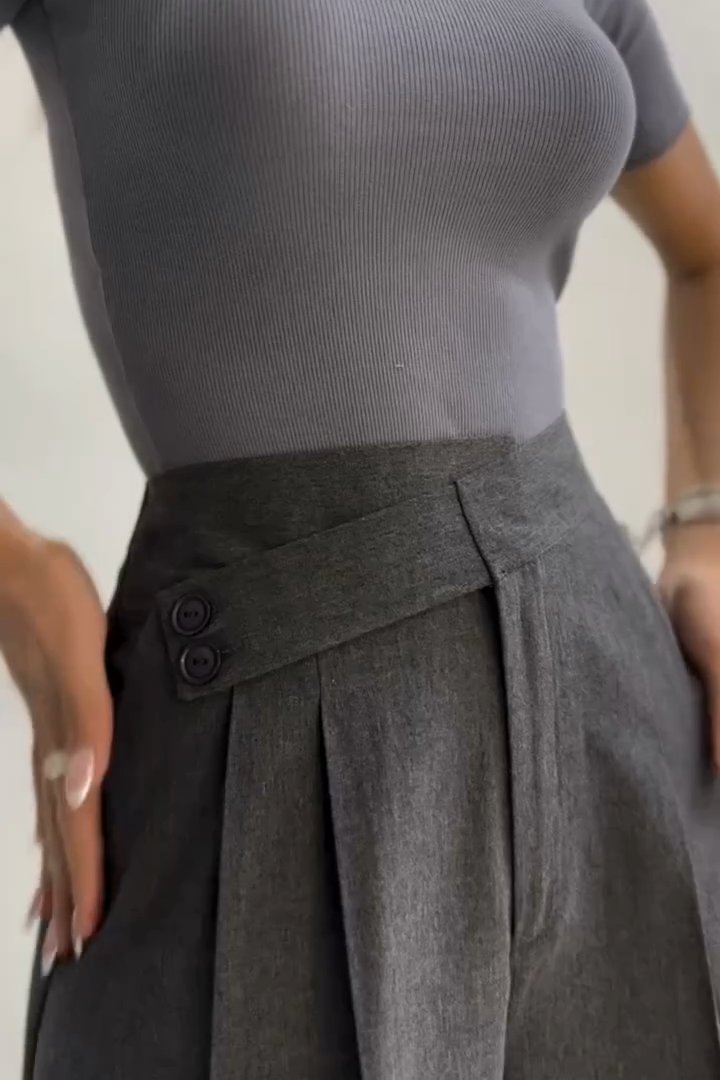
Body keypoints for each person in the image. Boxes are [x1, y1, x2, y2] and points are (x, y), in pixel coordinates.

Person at [2, 0, 720, 1076]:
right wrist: (23, 587)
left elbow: (706, 254)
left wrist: (704, 529)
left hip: (622, 733)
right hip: (266, 733)